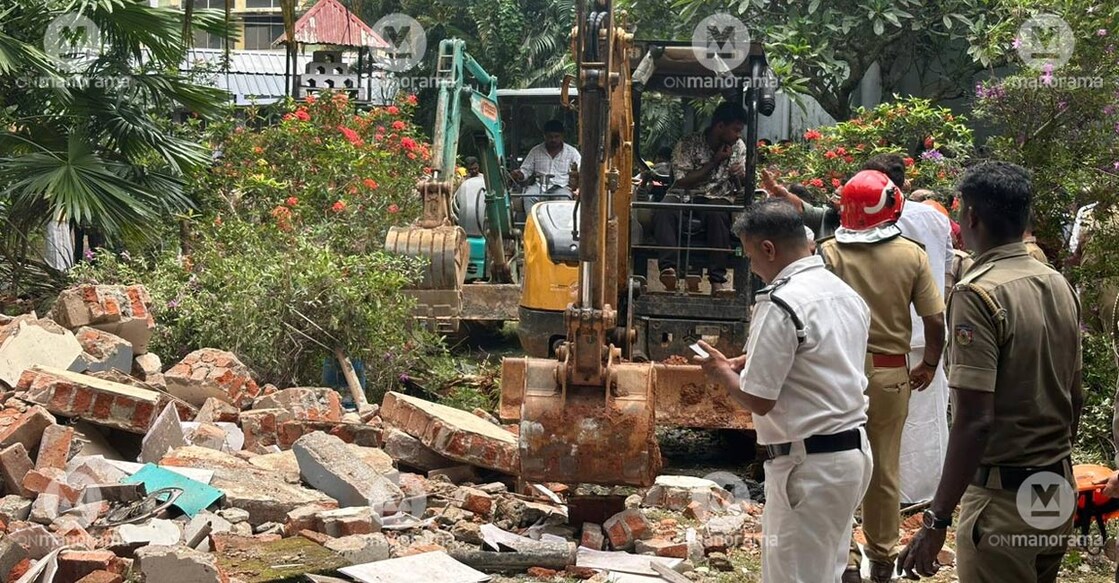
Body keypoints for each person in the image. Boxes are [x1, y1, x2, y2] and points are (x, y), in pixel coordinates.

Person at [899, 161, 1083, 582]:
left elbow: (975, 420)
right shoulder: (1058, 284)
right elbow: (1075, 397)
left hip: (1003, 501)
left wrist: (935, 520)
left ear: (971, 217)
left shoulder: (977, 293)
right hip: (1055, 489)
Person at [694, 199, 872, 583]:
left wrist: (722, 372)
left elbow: (760, 398)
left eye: (750, 256)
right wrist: (751, 358)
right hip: (849, 455)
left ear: (768, 249)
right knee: (826, 568)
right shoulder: (844, 293)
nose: (753, 268)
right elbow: (818, 362)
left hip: (808, 465)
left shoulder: (781, 301)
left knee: (792, 574)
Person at [817, 170, 945, 583]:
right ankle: (883, 557)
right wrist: (929, 363)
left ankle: (844, 559)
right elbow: (935, 319)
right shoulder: (912, 254)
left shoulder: (829, 253)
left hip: (837, 373)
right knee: (885, 468)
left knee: (834, 463)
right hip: (891, 374)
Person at [863, 154, 954, 506]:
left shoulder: (869, 219)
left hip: (880, 335)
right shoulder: (935, 219)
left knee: (877, 417)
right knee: (924, 419)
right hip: (928, 333)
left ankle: (877, 493)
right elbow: (947, 271)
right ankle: (923, 495)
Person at [653, 101, 747, 294]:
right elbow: (682, 181)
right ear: (720, 126)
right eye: (735, 130)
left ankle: (717, 280)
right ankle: (668, 269)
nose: (738, 135)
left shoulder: (738, 146)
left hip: (717, 196)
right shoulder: (688, 144)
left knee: (718, 213)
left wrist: (740, 176)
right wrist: (714, 162)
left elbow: (741, 185)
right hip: (684, 194)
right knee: (665, 209)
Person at [511, 119, 581, 211]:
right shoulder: (535, 151)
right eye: (550, 137)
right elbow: (525, 171)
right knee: (528, 197)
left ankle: (559, 225)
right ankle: (533, 224)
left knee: (564, 198)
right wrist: (519, 174)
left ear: (562, 136)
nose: (553, 139)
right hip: (539, 186)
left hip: (561, 187)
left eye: (556, 136)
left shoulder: (572, 152)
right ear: (544, 136)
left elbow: (581, 170)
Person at [761, 169, 841, 239]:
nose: (832, 200)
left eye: (838, 198)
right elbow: (800, 208)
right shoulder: (825, 217)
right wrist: (776, 189)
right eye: (833, 196)